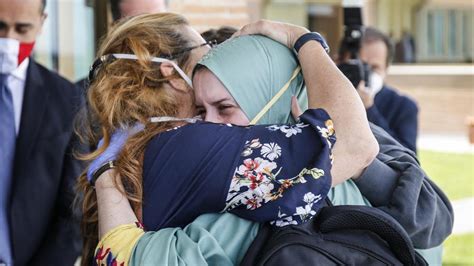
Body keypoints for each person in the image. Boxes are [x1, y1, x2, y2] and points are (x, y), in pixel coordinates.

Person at [76, 13, 379, 265]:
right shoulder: (195, 145)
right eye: (207, 47)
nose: (218, 52)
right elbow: (355, 146)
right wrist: (304, 39)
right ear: (170, 73)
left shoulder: (134, 146)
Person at [0, 0, 83, 265]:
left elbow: (73, 209)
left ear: (41, 23)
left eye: (22, 29)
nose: (9, 40)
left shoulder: (66, 100)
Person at [339, 27, 419, 153]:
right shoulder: (325, 100)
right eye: (360, 65)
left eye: (374, 67)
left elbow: (407, 158)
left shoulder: (403, 106)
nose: (366, 73)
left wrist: (369, 109)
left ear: (386, 69)